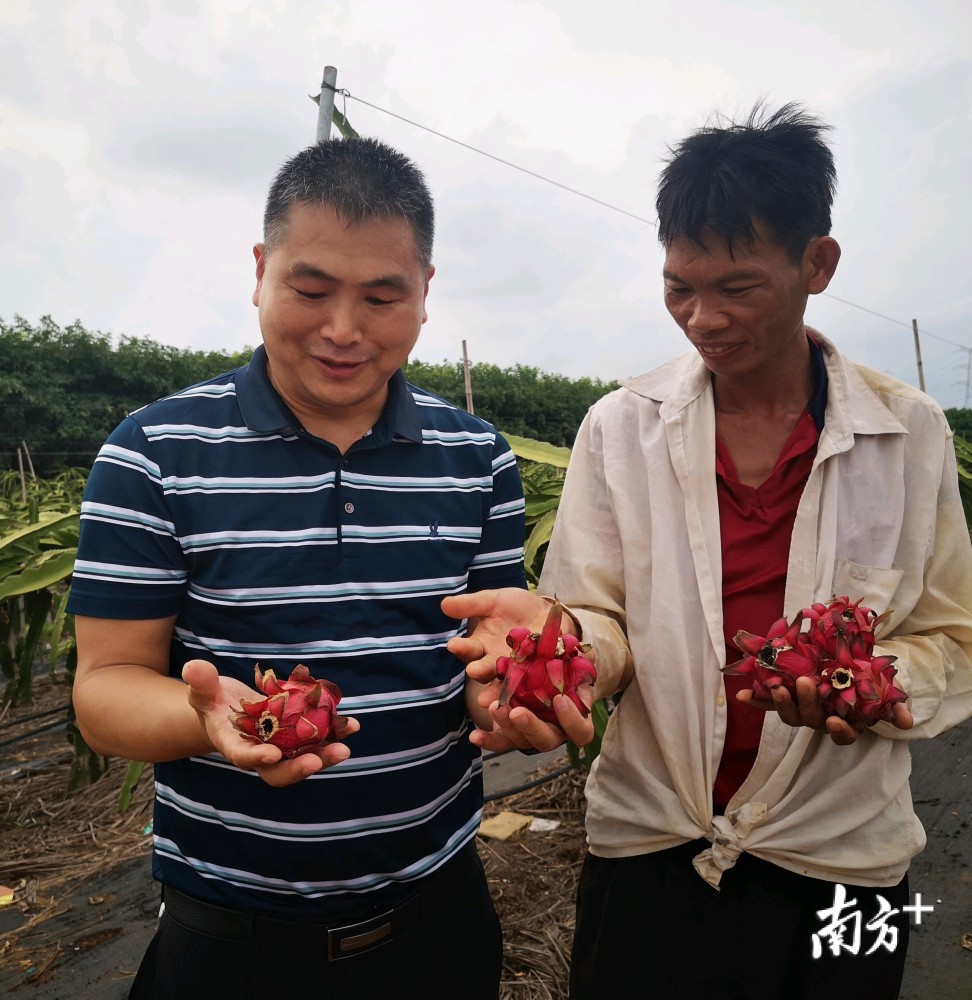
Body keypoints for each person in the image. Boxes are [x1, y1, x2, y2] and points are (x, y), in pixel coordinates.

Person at [442, 104, 972, 999]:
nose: (703, 318)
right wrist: (567, 657)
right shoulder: (621, 429)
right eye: (679, 287)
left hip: (844, 859)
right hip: (650, 847)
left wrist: (870, 684)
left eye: (736, 287)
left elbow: (952, 638)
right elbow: (597, 617)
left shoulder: (906, 435)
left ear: (818, 263)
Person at [68, 137, 526, 1000]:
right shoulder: (154, 455)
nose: (343, 329)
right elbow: (105, 690)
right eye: (310, 290)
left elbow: (483, 657)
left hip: (440, 920)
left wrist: (510, 695)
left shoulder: (478, 459)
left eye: (382, 296)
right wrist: (208, 721)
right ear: (260, 270)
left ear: (425, 293)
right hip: (232, 943)